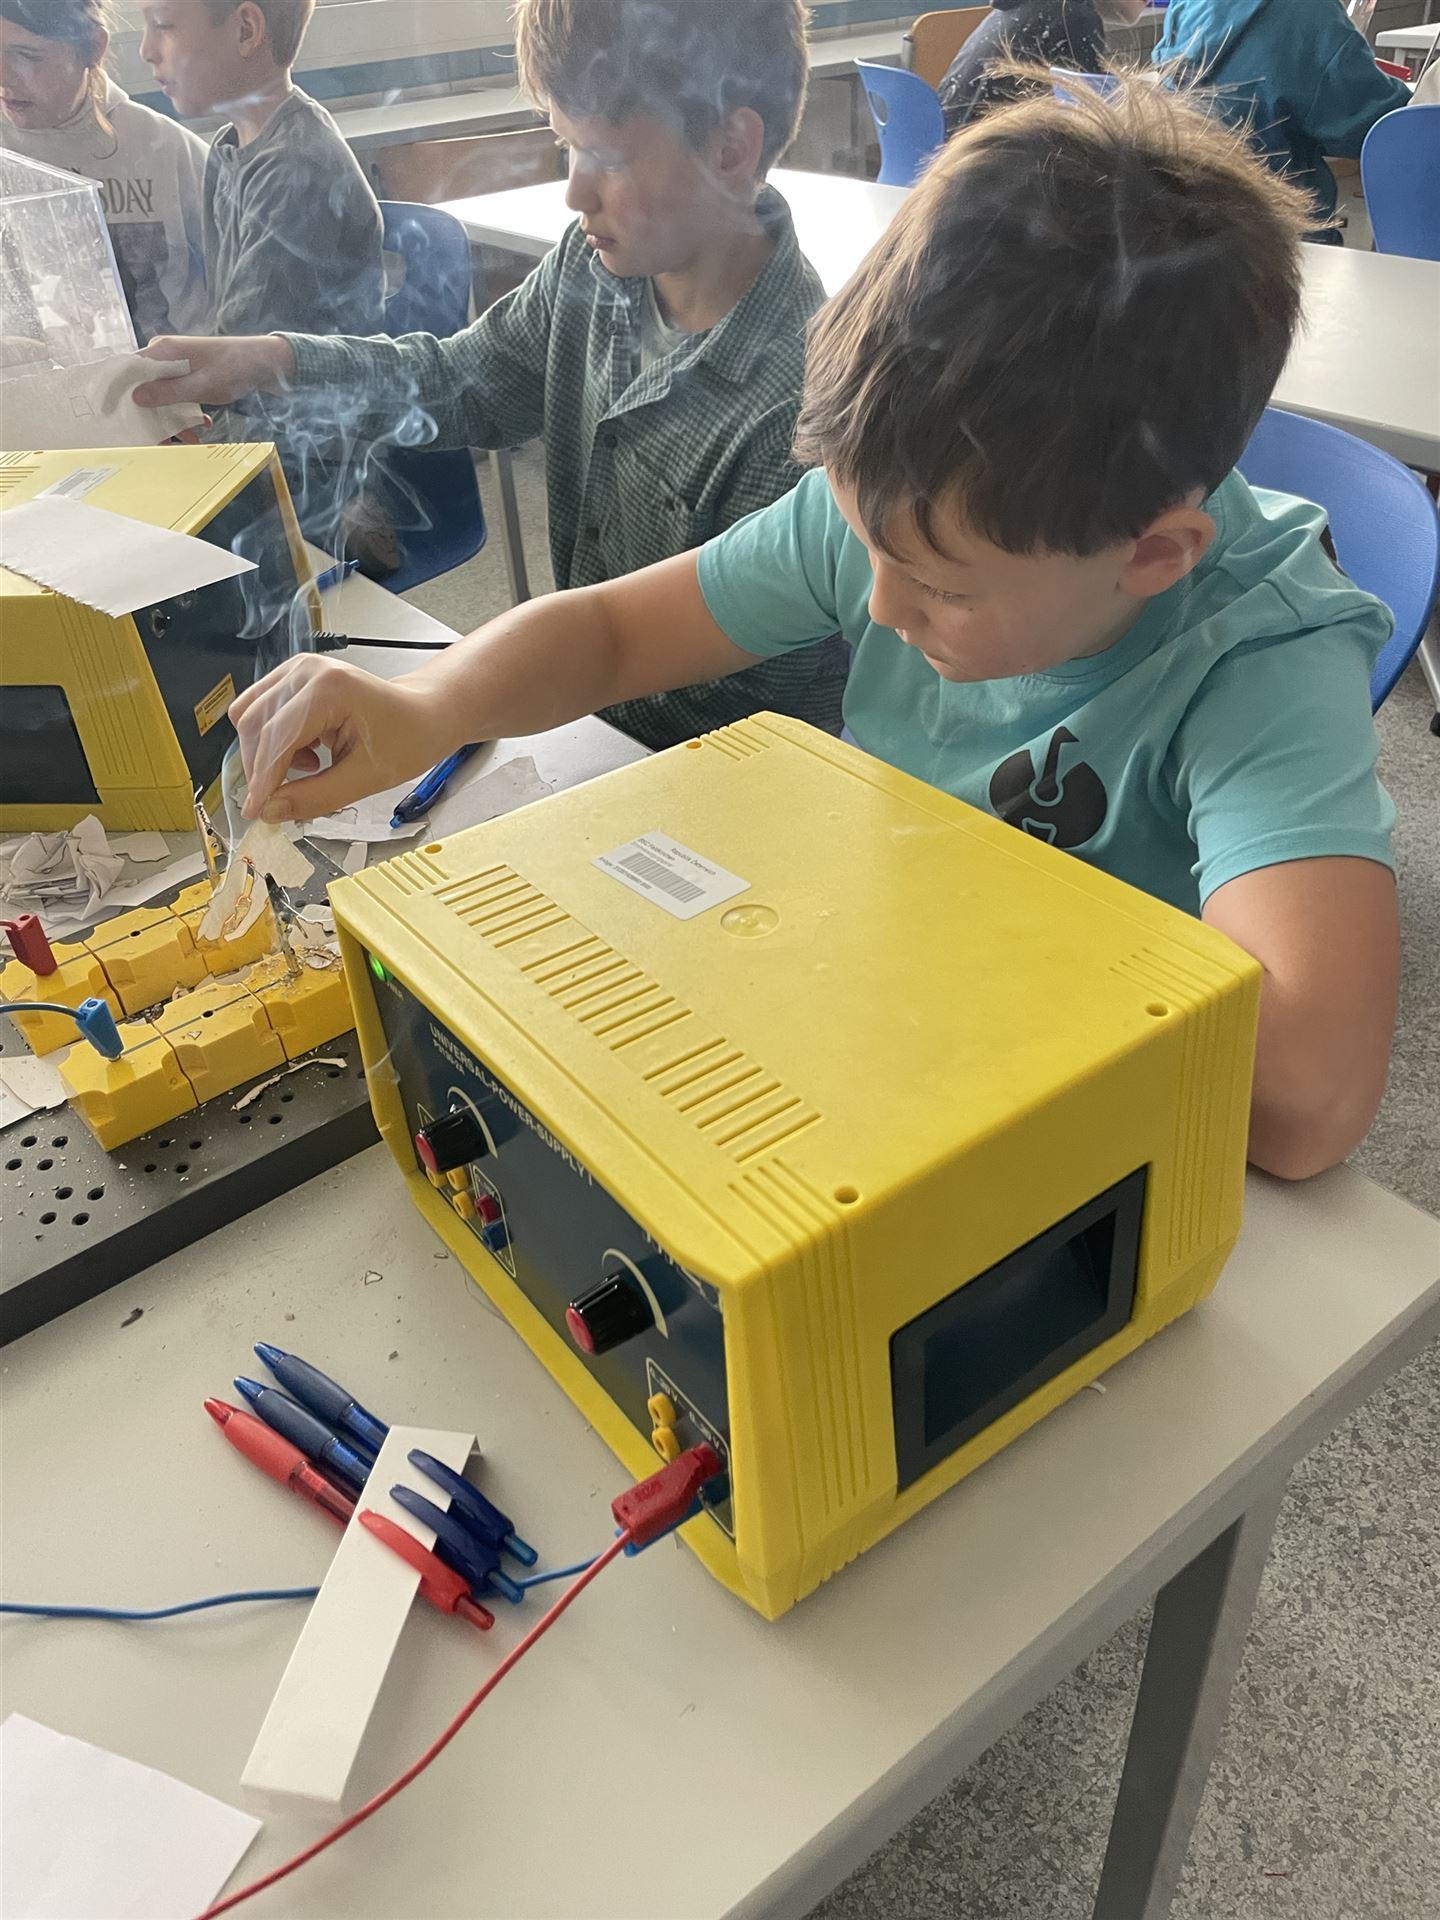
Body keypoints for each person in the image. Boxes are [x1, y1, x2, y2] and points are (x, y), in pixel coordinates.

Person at [218, 77, 1401, 1185]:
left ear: (1153, 556)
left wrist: (941, 939)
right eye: (865, 545)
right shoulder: (907, 506)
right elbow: (617, 634)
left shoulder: (1261, 654)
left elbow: (1309, 1101)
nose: (878, 608)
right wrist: (428, 706)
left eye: (942, 590)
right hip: (878, 1014)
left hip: (1045, 1105)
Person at [133, 0, 847, 750]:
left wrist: (470, 705)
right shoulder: (595, 269)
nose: (575, 194)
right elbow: (458, 380)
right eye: (567, 148)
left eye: (607, 159)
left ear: (731, 149)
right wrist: (273, 360)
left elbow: (746, 725)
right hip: (584, 724)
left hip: (690, 764)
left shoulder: (796, 406)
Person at [136, 0, 382, 336]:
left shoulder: (295, 170)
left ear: (246, 30)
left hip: (280, 370)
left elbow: (244, 351)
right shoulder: (229, 146)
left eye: (164, 25)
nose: (146, 51)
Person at [0, 0, 208, 340]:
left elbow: (251, 287)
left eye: (27, 56)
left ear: (94, 47)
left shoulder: (167, 150)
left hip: (176, 368)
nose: (3, 77)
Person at [1154, 0, 1412, 239]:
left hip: (1186, 229)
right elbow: (1386, 128)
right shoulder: (1309, 13)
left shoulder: (1190, 5)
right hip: (1281, 240)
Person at [938, 0, 1147, 134]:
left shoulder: (1025, 8)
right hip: (986, 176)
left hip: (952, 166)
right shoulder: (1070, 13)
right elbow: (1097, 128)